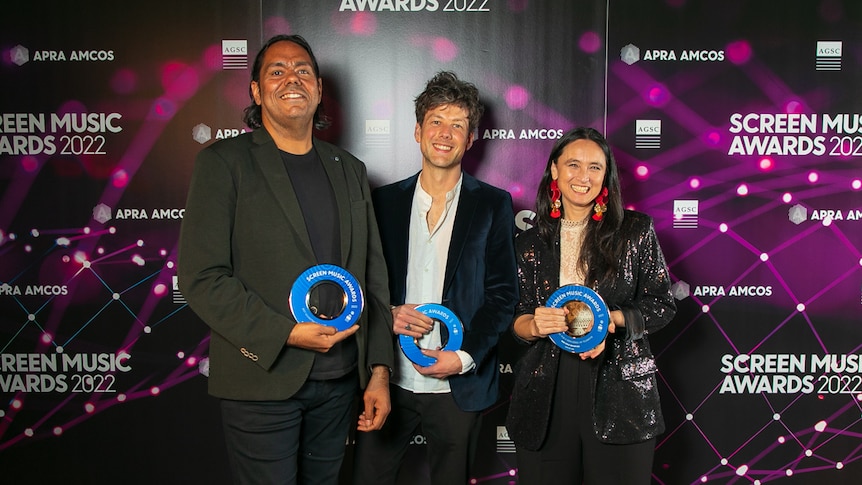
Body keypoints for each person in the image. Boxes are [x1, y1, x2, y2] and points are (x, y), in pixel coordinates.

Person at [178, 34, 393, 485]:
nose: (291, 79)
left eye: (302, 71)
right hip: (262, 379)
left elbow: (372, 277)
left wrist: (378, 371)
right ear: (256, 92)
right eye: (276, 71)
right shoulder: (223, 163)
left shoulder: (348, 168)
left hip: (339, 384)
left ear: (318, 88)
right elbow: (203, 277)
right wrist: (286, 334)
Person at [352, 71, 518, 485]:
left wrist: (462, 359)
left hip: (459, 387)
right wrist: (387, 315)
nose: (445, 134)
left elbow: (502, 296)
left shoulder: (494, 205)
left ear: (471, 138)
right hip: (387, 379)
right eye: (437, 122)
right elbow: (362, 285)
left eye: (458, 125)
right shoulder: (383, 202)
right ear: (417, 130)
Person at [505, 127, 676, 484]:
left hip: (619, 387)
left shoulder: (635, 231)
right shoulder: (528, 243)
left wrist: (609, 322)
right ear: (554, 170)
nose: (583, 177)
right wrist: (534, 325)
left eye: (595, 167)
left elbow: (662, 304)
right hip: (545, 391)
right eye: (573, 164)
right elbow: (514, 319)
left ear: (606, 176)